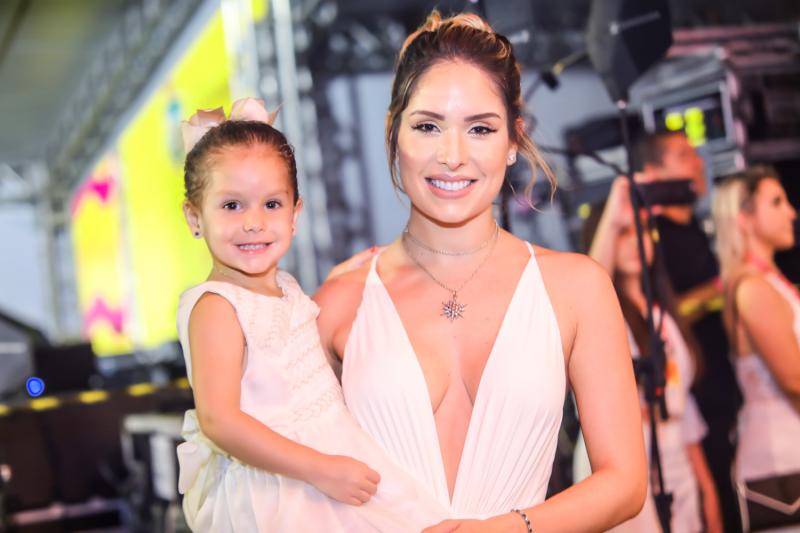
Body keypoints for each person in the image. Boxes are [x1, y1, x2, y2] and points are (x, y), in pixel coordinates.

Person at [314, 11, 647, 532]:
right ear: (393, 133)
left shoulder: (576, 288)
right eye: (428, 126)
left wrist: (505, 529)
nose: (453, 156)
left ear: (513, 141)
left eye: (480, 129)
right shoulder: (339, 302)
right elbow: (290, 487)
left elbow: (624, 481)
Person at [174, 98, 447, 532]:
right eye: (231, 206)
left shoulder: (284, 287)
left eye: (271, 204)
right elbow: (219, 420)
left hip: (328, 462)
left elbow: (288, 351)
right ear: (195, 216)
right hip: (282, 488)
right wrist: (320, 469)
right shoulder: (216, 306)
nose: (253, 222)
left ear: (295, 213)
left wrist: (342, 280)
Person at [581, 177, 723, 533]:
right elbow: (588, 289)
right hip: (624, 471)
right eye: (623, 232)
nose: (636, 242)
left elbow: (682, 409)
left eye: (642, 230)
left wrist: (708, 489)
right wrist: (614, 209)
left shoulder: (664, 316)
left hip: (678, 471)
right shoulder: (600, 316)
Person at [635, 131, 743, 531]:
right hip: (691, 396)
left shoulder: (695, 226)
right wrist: (721, 289)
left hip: (722, 382)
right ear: (653, 174)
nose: (698, 163)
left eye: (696, 154)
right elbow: (661, 314)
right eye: (683, 156)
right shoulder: (652, 240)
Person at [712, 166, 800, 530]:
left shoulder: (767, 282)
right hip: (781, 464)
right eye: (776, 202)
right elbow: (794, 380)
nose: (791, 212)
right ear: (744, 218)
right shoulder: (753, 288)